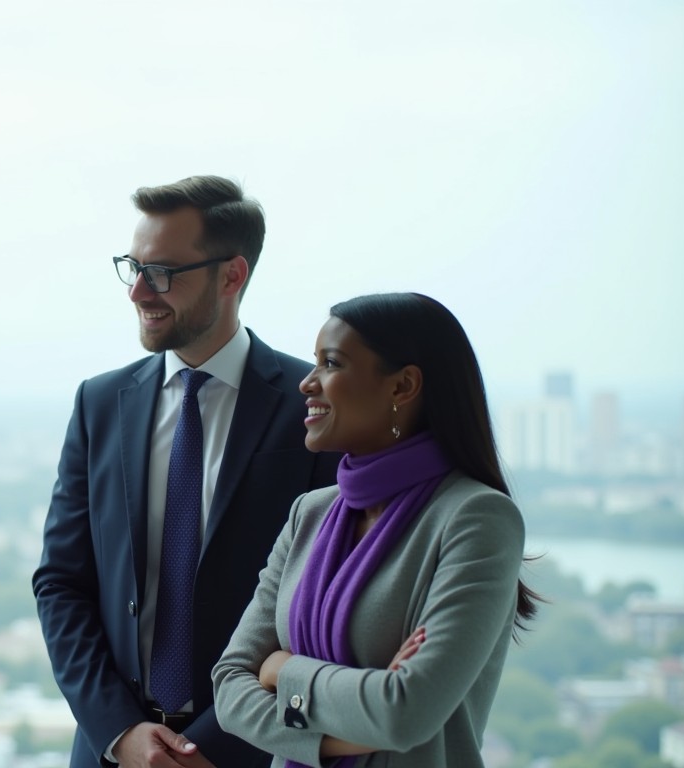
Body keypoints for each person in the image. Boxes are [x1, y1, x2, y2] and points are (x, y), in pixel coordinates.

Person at [33, 175, 339, 767]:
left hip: (251, 750)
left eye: (162, 272)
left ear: (231, 276)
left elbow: (320, 602)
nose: (138, 292)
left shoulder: (311, 405)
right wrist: (120, 731)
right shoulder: (100, 403)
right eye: (133, 268)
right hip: (111, 751)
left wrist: (209, 748)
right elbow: (61, 584)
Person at [212, 292, 539, 768]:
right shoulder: (309, 514)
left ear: (403, 386)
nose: (307, 383)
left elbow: (405, 712)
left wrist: (283, 669)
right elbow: (229, 687)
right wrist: (336, 740)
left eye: (331, 363)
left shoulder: (477, 518)